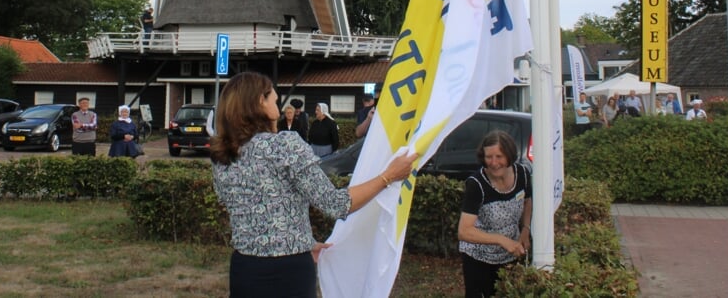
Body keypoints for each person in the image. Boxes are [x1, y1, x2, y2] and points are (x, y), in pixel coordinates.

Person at [210, 71, 419, 298]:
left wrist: (305, 242)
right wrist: (388, 176)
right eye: (273, 96)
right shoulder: (284, 145)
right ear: (260, 101)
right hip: (288, 273)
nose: (278, 100)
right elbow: (337, 204)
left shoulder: (222, 156)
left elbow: (251, 212)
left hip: (244, 269)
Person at [457, 130, 532, 298]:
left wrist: (525, 230)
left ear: (510, 155)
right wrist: (501, 240)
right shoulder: (476, 184)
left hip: (509, 255)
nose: (493, 162)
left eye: (499, 156)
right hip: (478, 257)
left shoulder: (523, 175)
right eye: (488, 157)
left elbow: (527, 201)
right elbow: (464, 231)